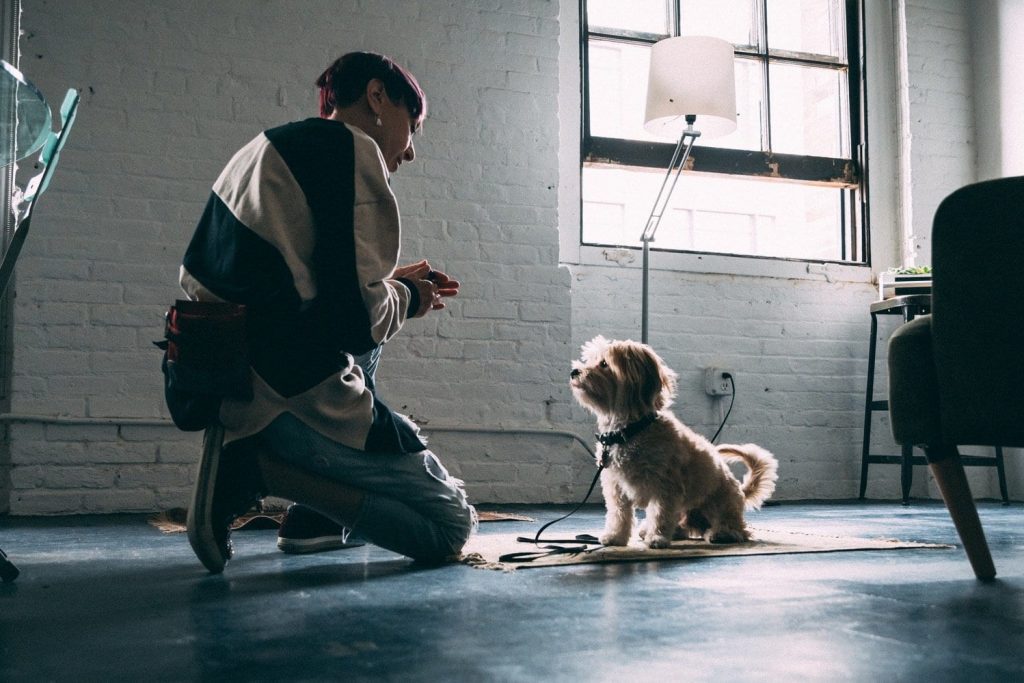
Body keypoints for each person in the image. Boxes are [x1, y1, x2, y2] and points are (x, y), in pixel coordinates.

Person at [179, 51, 477, 573]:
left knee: (376, 336)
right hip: (286, 393)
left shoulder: (265, 146)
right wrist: (409, 298)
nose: (408, 152)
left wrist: (390, 285)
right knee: (450, 526)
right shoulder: (353, 150)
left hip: (225, 377)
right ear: (378, 97)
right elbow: (353, 324)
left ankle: (309, 515)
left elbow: (289, 285)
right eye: (413, 124)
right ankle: (264, 474)